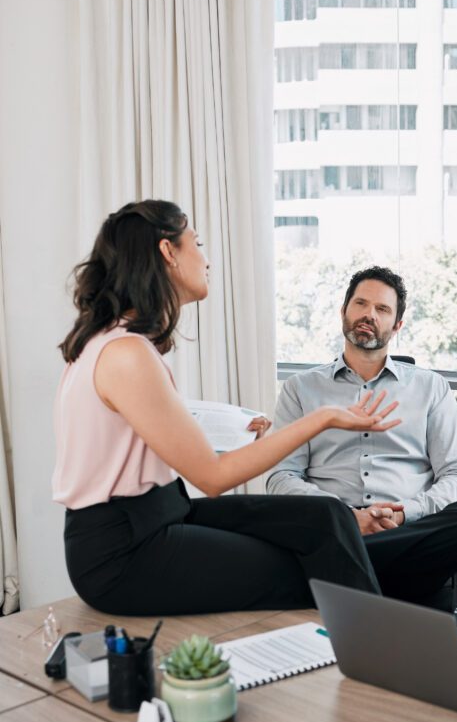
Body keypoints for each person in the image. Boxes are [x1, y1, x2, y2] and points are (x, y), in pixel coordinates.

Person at [53, 200, 402, 616]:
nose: (205, 259)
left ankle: (380, 641)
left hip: (163, 512)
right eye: (195, 243)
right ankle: (379, 660)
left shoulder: (120, 343)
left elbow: (142, 443)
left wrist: (225, 432)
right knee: (310, 565)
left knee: (325, 516)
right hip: (122, 552)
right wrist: (323, 418)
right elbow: (215, 478)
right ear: (168, 252)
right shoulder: (126, 353)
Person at [265, 266, 457, 611]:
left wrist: (405, 515)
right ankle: (368, 565)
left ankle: (346, 569)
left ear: (397, 325)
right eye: (360, 303)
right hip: (335, 527)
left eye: (382, 309)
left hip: (406, 525)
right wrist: (347, 518)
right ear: (343, 312)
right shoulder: (301, 389)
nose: (368, 315)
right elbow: (282, 476)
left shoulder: (430, 387)